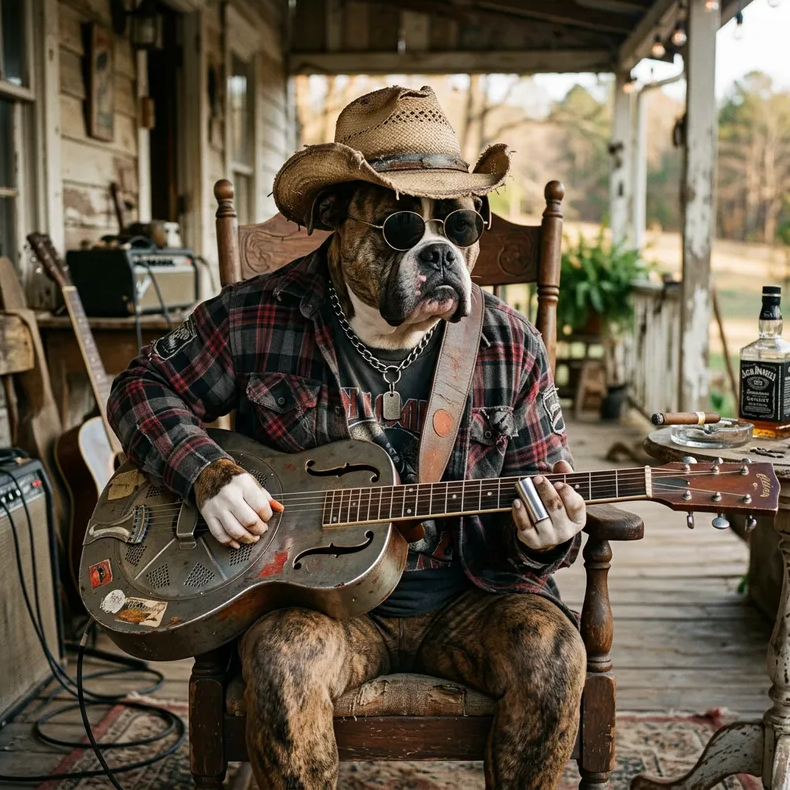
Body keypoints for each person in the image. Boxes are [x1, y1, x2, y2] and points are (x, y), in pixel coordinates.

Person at [108, 85, 587, 790]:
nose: (438, 253)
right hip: (320, 608)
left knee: (554, 654)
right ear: (335, 219)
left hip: (470, 602)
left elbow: (549, 489)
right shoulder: (258, 315)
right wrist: (207, 474)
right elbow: (140, 387)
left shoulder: (511, 343)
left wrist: (548, 536)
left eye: (457, 227)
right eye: (399, 229)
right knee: (280, 658)